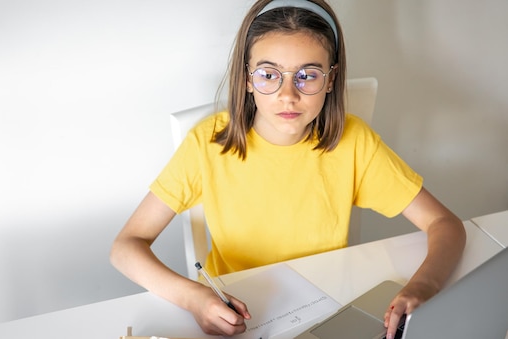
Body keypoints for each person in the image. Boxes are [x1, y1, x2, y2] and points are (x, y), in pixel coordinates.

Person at [110, 0, 466, 338]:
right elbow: (126, 247)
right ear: (247, 78)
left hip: (327, 312)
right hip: (240, 318)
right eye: (269, 74)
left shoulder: (354, 142)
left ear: (330, 79)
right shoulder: (208, 143)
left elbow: (445, 225)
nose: (287, 95)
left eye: (307, 76)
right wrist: (191, 297)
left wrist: (422, 286)